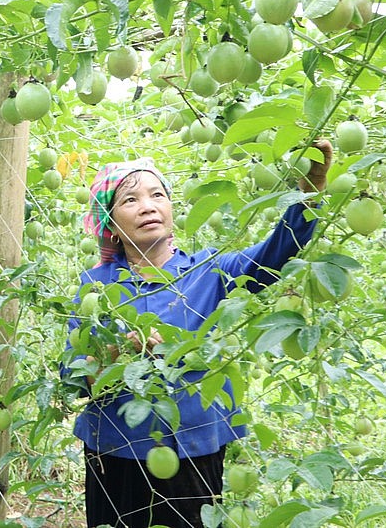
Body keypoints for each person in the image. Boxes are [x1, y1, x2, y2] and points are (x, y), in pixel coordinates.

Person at [63, 141, 332, 528]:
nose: (148, 206)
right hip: (116, 450)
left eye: (157, 195)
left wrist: (310, 190)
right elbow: (73, 375)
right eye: (130, 199)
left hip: (194, 445)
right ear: (111, 225)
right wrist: (116, 354)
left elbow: (277, 252)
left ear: (171, 209)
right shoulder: (94, 287)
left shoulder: (210, 270)